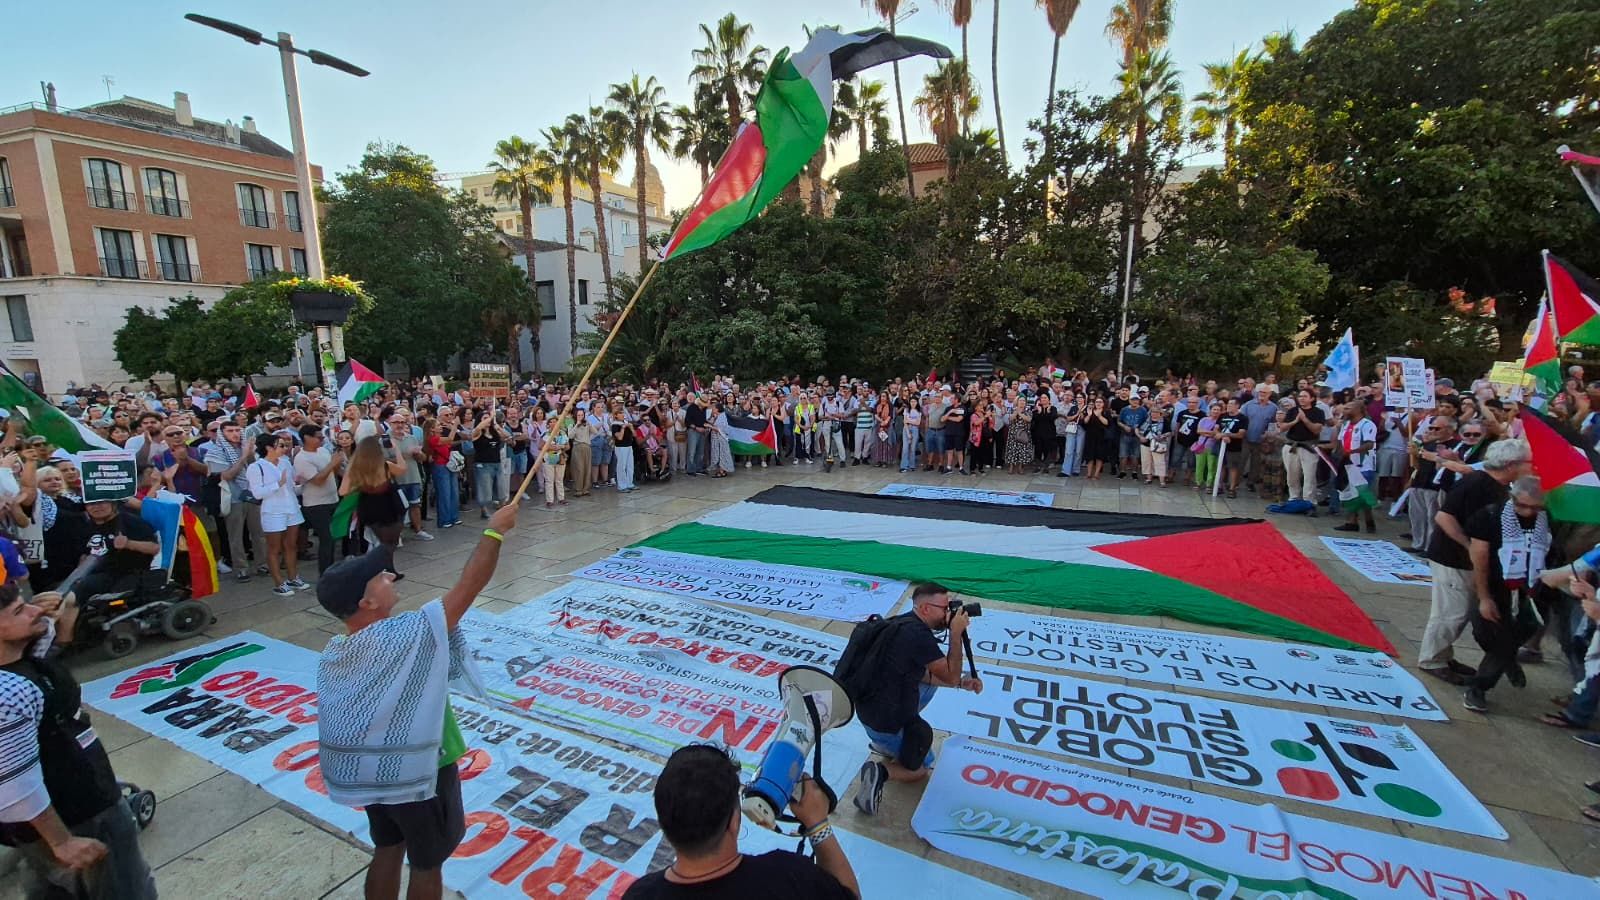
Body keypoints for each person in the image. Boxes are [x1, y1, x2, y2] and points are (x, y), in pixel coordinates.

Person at [316, 503, 520, 900]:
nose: (391, 576)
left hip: (369, 774)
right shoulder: (403, 636)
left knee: (387, 847)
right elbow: (468, 588)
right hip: (419, 772)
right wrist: (494, 533)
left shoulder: (335, 650)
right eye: (380, 577)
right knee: (428, 862)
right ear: (367, 603)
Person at [0, 581, 157, 900]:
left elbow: (44, 652)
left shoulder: (21, 663)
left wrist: (60, 606)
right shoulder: (10, 694)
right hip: (79, 814)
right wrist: (61, 841)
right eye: (19, 610)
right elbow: (15, 784)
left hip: (75, 803)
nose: (34, 610)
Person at [622, 744, 858, 900]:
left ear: (663, 824)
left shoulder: (640, 895)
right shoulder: (788, 877)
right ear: (734, 821)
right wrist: (818, 825)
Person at [852, 583, 983, 816]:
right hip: (884, 724)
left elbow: (925, 674)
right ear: (924, 609)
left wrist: (961, 683)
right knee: (921, 767)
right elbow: (951, 675)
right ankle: (881, 771)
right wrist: (955, 633)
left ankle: (886, 742)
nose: (949, 613)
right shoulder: (919, 637)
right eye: (945, 608)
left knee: (929, 681)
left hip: (868, 709)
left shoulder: (901, 623)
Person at [1419, 438, 1532, 685]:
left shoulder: (1496, 486)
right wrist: (1469, 545)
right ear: (1511, 464)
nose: (1531, 467)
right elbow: (1444, 516)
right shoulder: (1477, 483)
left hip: (1466, 559)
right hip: (1451, 557)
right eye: (1528, 463)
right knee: (1451, 613)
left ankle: (1444, 654)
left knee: (1458, 610)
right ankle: (1432, 659)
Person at [1461, 477, 1549, 712]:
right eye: (1522, 506)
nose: (1529, 512)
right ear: (1512, 498)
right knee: (1483, 631)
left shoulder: (1548, 521)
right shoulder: (1490, 516)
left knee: (1508, 639)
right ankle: (1508, 660)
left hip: (1532, 591)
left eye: (1535, 507)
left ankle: (1479, 687)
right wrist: (1484, 597)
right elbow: (1479, 558)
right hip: (1494, 585)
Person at [247, 432, 308, 597]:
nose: (284, 448)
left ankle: (293, 577)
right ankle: (279, 582)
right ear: (268, 447)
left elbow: (291, 487)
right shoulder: (256, 467)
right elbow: (258, 493)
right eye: (280, 445)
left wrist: (299, 484)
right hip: (272, 511)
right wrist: (277, 484)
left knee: (291, 545)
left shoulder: (285, 463)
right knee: (274, 548)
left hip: (292, 508)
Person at [341, 435, 407, 550]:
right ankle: (384, 565)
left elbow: (343, 491)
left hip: (368, 507)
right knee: (388, 544)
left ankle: (376, 563)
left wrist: (359, 486)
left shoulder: (354, 468)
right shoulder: (385, 466)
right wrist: (396, 449)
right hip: (389, 507)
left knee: (374, 542)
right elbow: (402, 468)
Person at [296, 424, 343, 575]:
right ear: (306, 438)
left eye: (323, 437)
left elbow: (333, 472)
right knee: (326, 539)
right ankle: (325, 573)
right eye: (319, 437)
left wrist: (338, 465)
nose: (322, 440)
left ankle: (332, 569)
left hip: (332, 500)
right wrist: (332, 463)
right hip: (316, 505)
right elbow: (317, 480)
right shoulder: (301, 458)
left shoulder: (323, 450)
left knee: (333, 538)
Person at [1333, 400, 1379, 533]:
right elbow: (1341, 441)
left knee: (1363, 494)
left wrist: (1352, 452)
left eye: (1348, 408)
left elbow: (1369, 444)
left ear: (1358, 410)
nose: (1344, 411)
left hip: (1363, 464)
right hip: (1347, 463)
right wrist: (1339, 453)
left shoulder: (1367, 424)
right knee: (1349, 493)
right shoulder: (1346, 424)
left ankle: (1369, 520)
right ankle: (1351, 522)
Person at [1281, 389, 1327, 509]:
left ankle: (1309, 502)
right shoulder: (1292, 411)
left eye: (1305, 396)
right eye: (1300, 396)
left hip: (1308, 447)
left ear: (1312, 398)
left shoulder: (1318, 412)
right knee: (1292, 475)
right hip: (1292, 446)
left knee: (1309, 476)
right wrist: (1295, 420)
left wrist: (1304, 419)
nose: (1301, 398)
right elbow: (1282, 427)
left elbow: (1317, 429)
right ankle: (1294, 499)